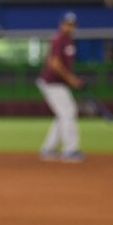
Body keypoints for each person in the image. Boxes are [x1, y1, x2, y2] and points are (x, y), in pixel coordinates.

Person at [36, 12, 85, 162]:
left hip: (58, 83)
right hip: (52, 83)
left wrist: (72, 80)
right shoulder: (59, 40)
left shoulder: (69, 41)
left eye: (71, 24)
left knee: (63, 115)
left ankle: (49, 149)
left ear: (75, 26)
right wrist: (72, 80)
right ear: (61, 24)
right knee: (68, 112)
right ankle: (70, 150)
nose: (69, 26)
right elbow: (55, 64)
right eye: (66, 23)